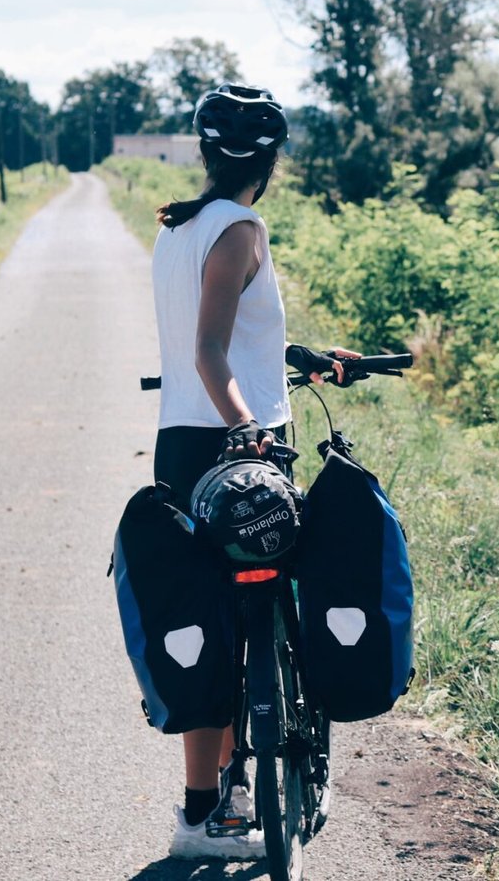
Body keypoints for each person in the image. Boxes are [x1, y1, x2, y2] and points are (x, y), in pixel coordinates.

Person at [150, 83, 358, 859]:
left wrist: (296, 355)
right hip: (239, 445)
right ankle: (266, 748)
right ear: (269, 162)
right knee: (263, 615)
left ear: (205, 152)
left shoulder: (179, 227)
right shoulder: (243, 228)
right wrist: (249, 430)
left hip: (180, 445)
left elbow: (219, 331)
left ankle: (201, 814)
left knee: (206, 631)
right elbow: (210, 351)